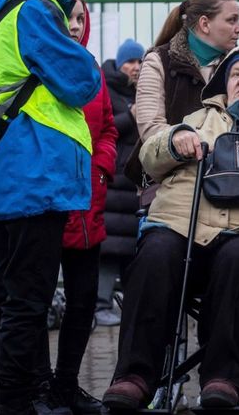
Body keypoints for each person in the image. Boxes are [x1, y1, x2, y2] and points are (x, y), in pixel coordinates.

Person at [101, 44, 239, 411]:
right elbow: (148, 158)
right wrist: (173, 142)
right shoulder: (197, 118)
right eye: (237, 74)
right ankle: (134, 375)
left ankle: (222, 378)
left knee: (238, 256)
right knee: (154, 252)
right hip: (184, 227)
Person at [0, 0, 101, 415]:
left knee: (2, 294)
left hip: (9, 168)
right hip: (36, 169)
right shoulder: (34, 6)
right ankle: (16, 404)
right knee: (27, 302)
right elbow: (81, 80)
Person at [34, 0, 117, 414]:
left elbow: (106, 129)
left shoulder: (91, 69)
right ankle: (41, 388)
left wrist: (99, 169)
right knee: (39, 301)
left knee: (83, 301)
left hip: (88, 204)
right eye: (66, 16)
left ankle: (66, 387)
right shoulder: (39, 68)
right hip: (48, 203)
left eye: (81, 17)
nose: (74, 25)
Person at [134, 0, 239, 145]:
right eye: (232, 20)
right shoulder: (158, 61)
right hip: (174, 166)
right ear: (205, 24)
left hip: (232, 166)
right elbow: (150, 128)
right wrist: (180, 138)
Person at [96, 38, 145, 327]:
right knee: (109, 250)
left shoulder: (146, 90)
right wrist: (130, 116)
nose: (136, 68)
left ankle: (128, 305)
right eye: (131, 62)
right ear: (119, 63)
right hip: (112, 182)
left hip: (135, 183)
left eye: (140, 62)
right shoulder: (107, 88)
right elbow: (104, 128)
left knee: (132, 250)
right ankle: (100, 305)